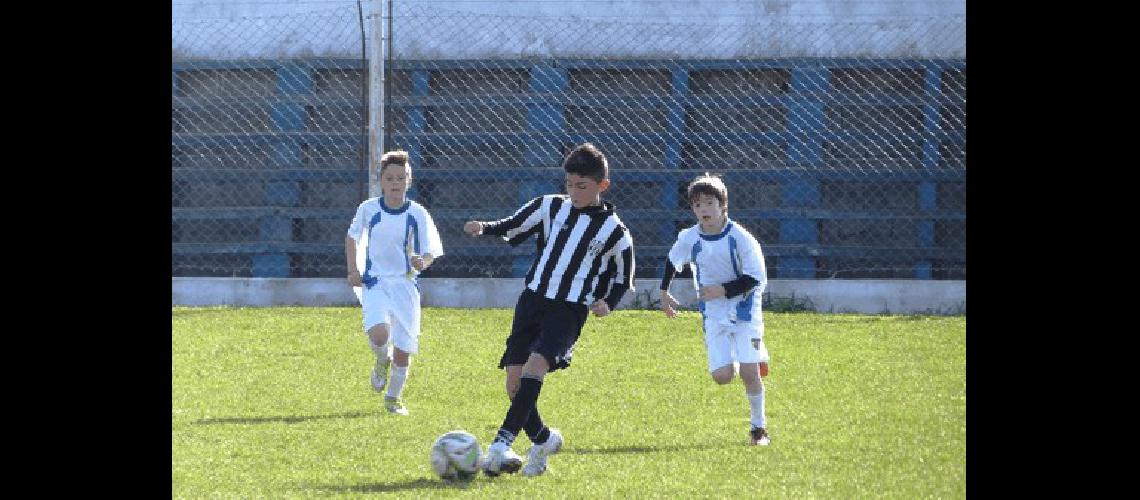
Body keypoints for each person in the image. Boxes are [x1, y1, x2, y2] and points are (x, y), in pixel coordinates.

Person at [463, 143, 635, 477]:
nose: (573, 191)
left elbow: (623, 277)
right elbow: (513, 224)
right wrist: (484, 227)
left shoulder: (615, 231)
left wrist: (608, 304)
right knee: (514, 383)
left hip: (568, 310)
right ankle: (542, 439)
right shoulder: (549, 207)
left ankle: (501, 443)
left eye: (581, 186)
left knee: (536, 365)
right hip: (532, 301)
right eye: (569, 184)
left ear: (602, 186)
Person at [659, 173, 772, 446]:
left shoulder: (741, 238)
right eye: (697, 205)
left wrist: (723, 289)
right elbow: (672, 260)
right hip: (714, 313)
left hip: (745, 312)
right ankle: (747, 356)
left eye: (709, 203)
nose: (703, 210)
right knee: (722, 377)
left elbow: (756, 277)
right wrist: (664, 292)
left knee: (748, 374)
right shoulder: (690, 237)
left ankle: (759, 430)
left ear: (723, 206)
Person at [345, 150, 443, 416]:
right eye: (390, 178)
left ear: (408, 181)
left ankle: (393, 399)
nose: (395, 183)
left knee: (403, 350)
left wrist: (423, 262)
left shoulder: (417, 213)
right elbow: (352, 237)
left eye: (401, 178)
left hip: (405, 286)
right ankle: (380, 359)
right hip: (375, 283)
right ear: (381, 182)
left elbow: (429, 252)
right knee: (379, 334)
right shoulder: (368, 209)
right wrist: (353, 269)